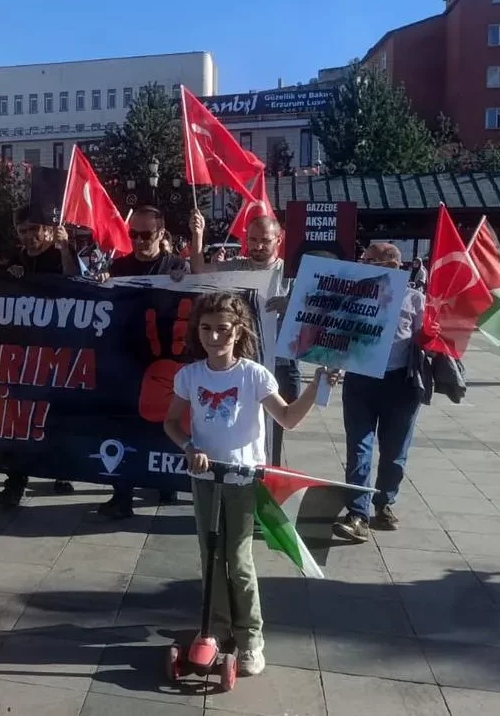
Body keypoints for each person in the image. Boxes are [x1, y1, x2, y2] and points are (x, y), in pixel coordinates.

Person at [162, 291, 333, 678]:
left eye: (223, 329)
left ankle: (251, 638)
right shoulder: (190, 375)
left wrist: (316, 385)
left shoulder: (253, 375)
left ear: (239, 331)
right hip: (205, 478)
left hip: (242, 480)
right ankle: (217, 629)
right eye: (206, 328)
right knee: (210, 556)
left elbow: (288, 418)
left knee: (238, 560)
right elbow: (171, 423)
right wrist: (189, 447)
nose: (214, 337)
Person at [189, 211, 301, 468]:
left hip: (280, 364)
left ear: (278, 240)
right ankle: (239, 472)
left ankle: (269, 476)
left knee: (276, 428)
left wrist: (292, 306)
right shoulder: (237, 266)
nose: (258, 246)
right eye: (252, 240)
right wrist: (197, 235)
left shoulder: (291, 273)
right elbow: (199, 270)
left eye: (265, 240)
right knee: (241, 425)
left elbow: (316, 310)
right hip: (242, 364)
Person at [332, 243, 426, 543]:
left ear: (392, 266)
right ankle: (357, 514)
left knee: (395, 451)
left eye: (369, 261)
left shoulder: (414, 299)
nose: (362, 265)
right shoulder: (352, 296)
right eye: (362, 260)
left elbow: (427, 340)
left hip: (400, 384)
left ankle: (384, 503)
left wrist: (434, 334)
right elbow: (334, 330)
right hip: (359, 381)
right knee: (359, 449)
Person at [100, 206, 186, 518]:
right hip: (129, 359)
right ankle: (122, 493)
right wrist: (101, 284)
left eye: (145, 234)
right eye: (133, 234)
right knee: (126, 426)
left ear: (161, 234)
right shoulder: (119, 267)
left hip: (166, 362)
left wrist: (186, 278)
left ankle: (165, 483)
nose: (138, 240)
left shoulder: (177, 267)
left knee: (165, 425)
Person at [0, 206, 78, 507]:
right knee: (20, 419)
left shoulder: (60, 255)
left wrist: (65, 248)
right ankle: (15, 483)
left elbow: (76, 281)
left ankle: (62, 471)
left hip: (57, 349)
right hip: (23, 353)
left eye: (34, 229)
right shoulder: (15, 259)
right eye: (23, 231)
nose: (29, 236)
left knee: (56, 415)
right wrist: (10, 277)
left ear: (47, 229)